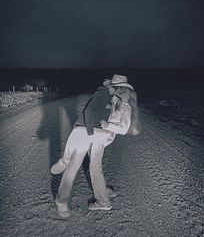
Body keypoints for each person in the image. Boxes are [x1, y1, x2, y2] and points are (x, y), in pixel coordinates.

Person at [51, 78, 140, 218]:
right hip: (91, 134)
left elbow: (120, 125)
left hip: (97, 136)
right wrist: (92, 132)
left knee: (92, 166)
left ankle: (101, 197)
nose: (117, 90)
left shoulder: (119, 101)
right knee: (80, 165)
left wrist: (103, 129)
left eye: (119, 88)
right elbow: (90, 112)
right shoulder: (105, 96)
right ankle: (63, 201)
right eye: (115, 87)